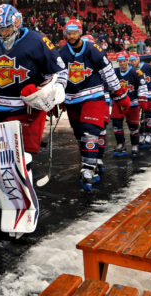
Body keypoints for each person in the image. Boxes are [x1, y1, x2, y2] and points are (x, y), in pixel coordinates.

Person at [0, 3, 67, 170]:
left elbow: (60, 72)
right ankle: (1, 193)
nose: (2, 34)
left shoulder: (37, 41)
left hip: (23, 112)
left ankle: (22, 193)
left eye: (6, 29)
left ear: (16, 23)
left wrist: (56, 91)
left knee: (19, 161)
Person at [58, 20, 129, 189]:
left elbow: (108, 72)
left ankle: (89, 168)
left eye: (75, 32)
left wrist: (118, 93)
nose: (72, 36)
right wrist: (57, 97)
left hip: (94, 95)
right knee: (80, 135)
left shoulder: (93, 49)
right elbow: (58, 76)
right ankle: (91, 162)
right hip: (72, 98)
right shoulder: (61, 53)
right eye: (69, 33)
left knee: (91, 130)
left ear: (80, 32)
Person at [112, 53, 145, 158]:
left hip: (132, 103)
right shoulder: (114, 72)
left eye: (124, 61)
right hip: (118, 102)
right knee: (116, 125)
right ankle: (121, 144)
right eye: (120, 61)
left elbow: (142, 86)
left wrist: (142, 99)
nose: (122, 63)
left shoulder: (136, 72)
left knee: (133, 126)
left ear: (127, 61)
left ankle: (134, 145)